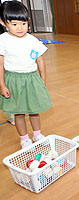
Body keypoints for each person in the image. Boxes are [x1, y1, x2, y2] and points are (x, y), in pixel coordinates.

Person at [0, 1, 52, 148]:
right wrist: (2, 85)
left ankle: (37, 135)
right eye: (14, 24)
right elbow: (0, 64)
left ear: (28, 21)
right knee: (19, 112)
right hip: (13, 80)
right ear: (3, 22)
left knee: (34, 110)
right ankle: (24, 139)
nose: (20, 28)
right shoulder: (3, 40)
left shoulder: (32, 40)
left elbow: (40, 60)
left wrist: (42, 80)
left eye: (23, 23)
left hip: (31, 78)